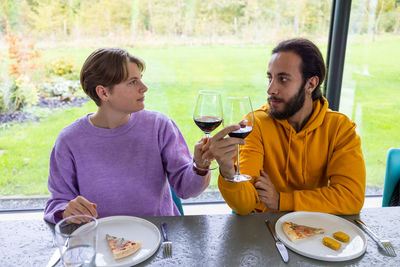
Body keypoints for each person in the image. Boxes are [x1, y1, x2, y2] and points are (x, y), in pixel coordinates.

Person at [44, 48, 211, 224]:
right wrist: (66, 211)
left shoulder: (159, 126)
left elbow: (187, 190)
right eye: (132, 82)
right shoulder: (70, 140)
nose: (144, 88)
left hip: (160, 236)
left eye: (141, 79)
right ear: (104, 93)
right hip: (102, 242)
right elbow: (57, 203)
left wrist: (200, 166)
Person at [209, 38, 366, 215]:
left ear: (311, 84)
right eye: (270, 78)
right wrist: (228, 172)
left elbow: (351, 198)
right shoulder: (256, 124)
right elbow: (245, 206)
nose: (270, 89)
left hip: (314, 231)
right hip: (264, 230)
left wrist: (281, 200)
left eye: (283, 79)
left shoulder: (340, 128)